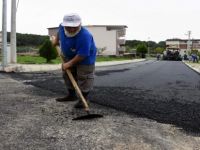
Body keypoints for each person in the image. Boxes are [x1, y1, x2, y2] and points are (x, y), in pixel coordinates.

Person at [52, 13, 97, 108]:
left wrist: (69, 63)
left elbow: (82, 55)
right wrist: (56, 40)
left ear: (80, 24)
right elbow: (59, 31)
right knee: (68, 74)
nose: (72, 29)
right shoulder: (62, 26)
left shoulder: (85, 35)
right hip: (69, 55)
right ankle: (71, 95)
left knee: (84, 77)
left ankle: (84, 99)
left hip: (85, 58)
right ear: (65, 25)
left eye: (75, 27)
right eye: (68, 27)